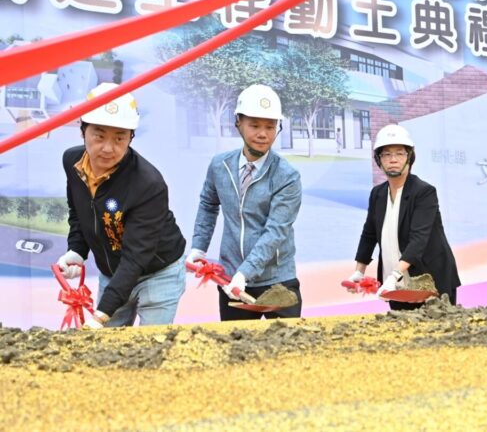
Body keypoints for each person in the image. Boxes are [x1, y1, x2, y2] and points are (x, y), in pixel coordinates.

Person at [57, 82, 187, 328]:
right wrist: (77, 250)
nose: (108, 148)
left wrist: (101, 315)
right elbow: (79, 211)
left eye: (119, 138)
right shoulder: (72, 161)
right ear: (83, 130)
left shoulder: (148, 183)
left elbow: (136, 257)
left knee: (150, 343)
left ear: (131, 137)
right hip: (113, 272)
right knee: (107, 342)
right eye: (99, 135)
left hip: (158, 272)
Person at [186, 84, 303, 321]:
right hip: (231, 279)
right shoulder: (220, 166)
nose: (263, 134)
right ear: (238, 122)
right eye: (255, 125)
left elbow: (275, 231)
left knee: (286, 343)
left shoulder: (287, 176)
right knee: (235, 342)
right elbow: (208, 205)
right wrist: (199, 246)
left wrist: (245, 273)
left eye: (270, 127)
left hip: (277, 281)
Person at [347, 124, 460, 310]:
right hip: (396, 286)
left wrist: (394, 276)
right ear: (379, 160)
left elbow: (419, 239)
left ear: (410, 157)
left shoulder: (424, 192)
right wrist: (359, 272)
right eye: (386, 154)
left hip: (429, 283)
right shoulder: (378, 194)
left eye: (400, 153)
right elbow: (369, 234)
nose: (393, 159)